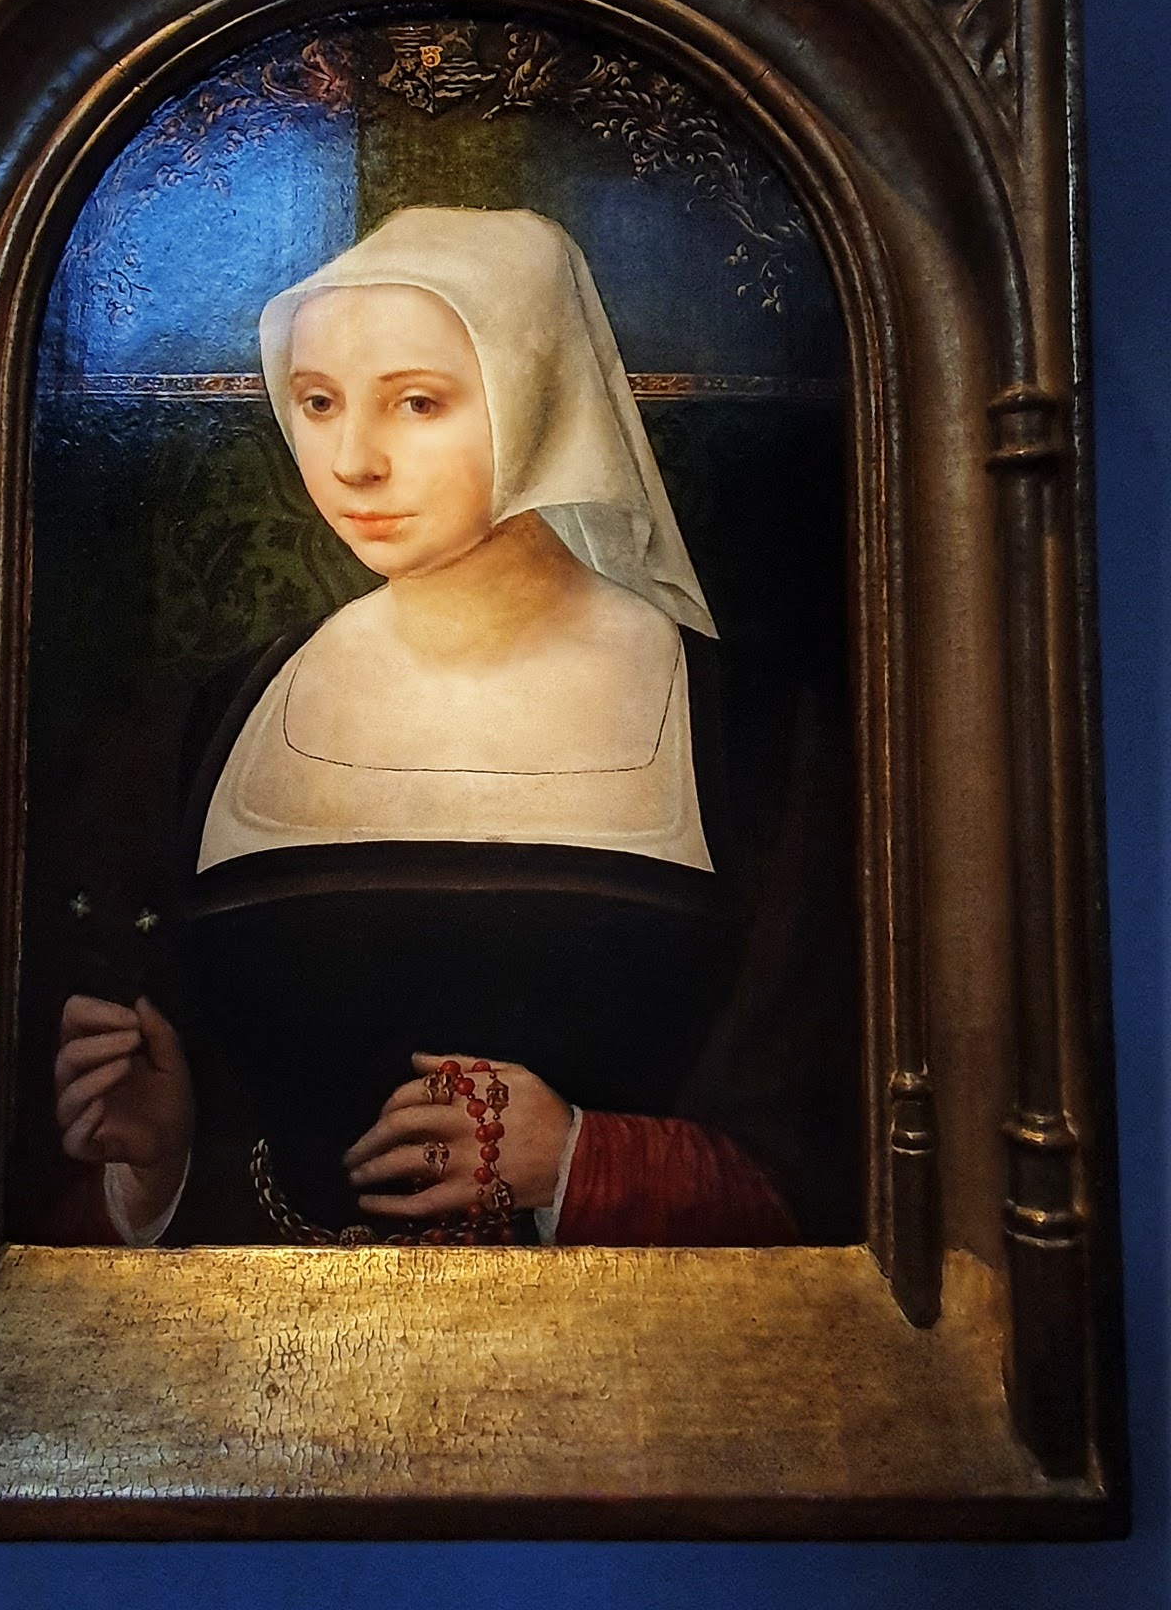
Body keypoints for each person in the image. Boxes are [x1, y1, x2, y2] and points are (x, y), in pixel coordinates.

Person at [51, 206, 841, 1247]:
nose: (353, 460)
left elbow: (829, 1161)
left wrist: (579, 1163)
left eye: (417, 403)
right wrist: (157, 1165)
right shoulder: (203, 729)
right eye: (318, 402)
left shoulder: (752, 735)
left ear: (538, 398)